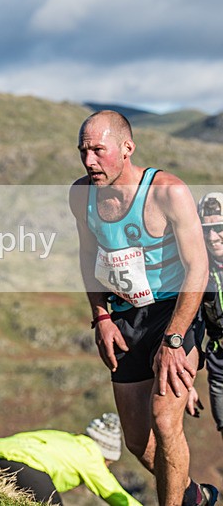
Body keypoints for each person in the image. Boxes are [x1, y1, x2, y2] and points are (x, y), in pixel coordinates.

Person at [68, 110, 218, 506]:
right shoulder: (81, 194)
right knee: (137, 440)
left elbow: (197, 268)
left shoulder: (168, 191)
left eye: (98, 150)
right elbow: (88, 257)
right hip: (125, 316)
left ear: (127, 148)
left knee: (165, 421)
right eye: (83, 151)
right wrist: (100, 315)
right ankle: (193, 496)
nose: (89, 161)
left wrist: (174, 339)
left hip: (175, 313)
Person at [0, 413, 142, 505]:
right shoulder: (91, 455)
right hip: (28, 466)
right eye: (108, 463)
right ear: (105, 454)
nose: (106, 468)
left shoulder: (68, 439)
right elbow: (114, 494)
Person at [193, 192, 223, 442]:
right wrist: (186, 384)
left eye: (219, 228)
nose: (212, 237)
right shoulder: (196, 269)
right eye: (206, 229)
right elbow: (188, 324)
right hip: (219, 366)